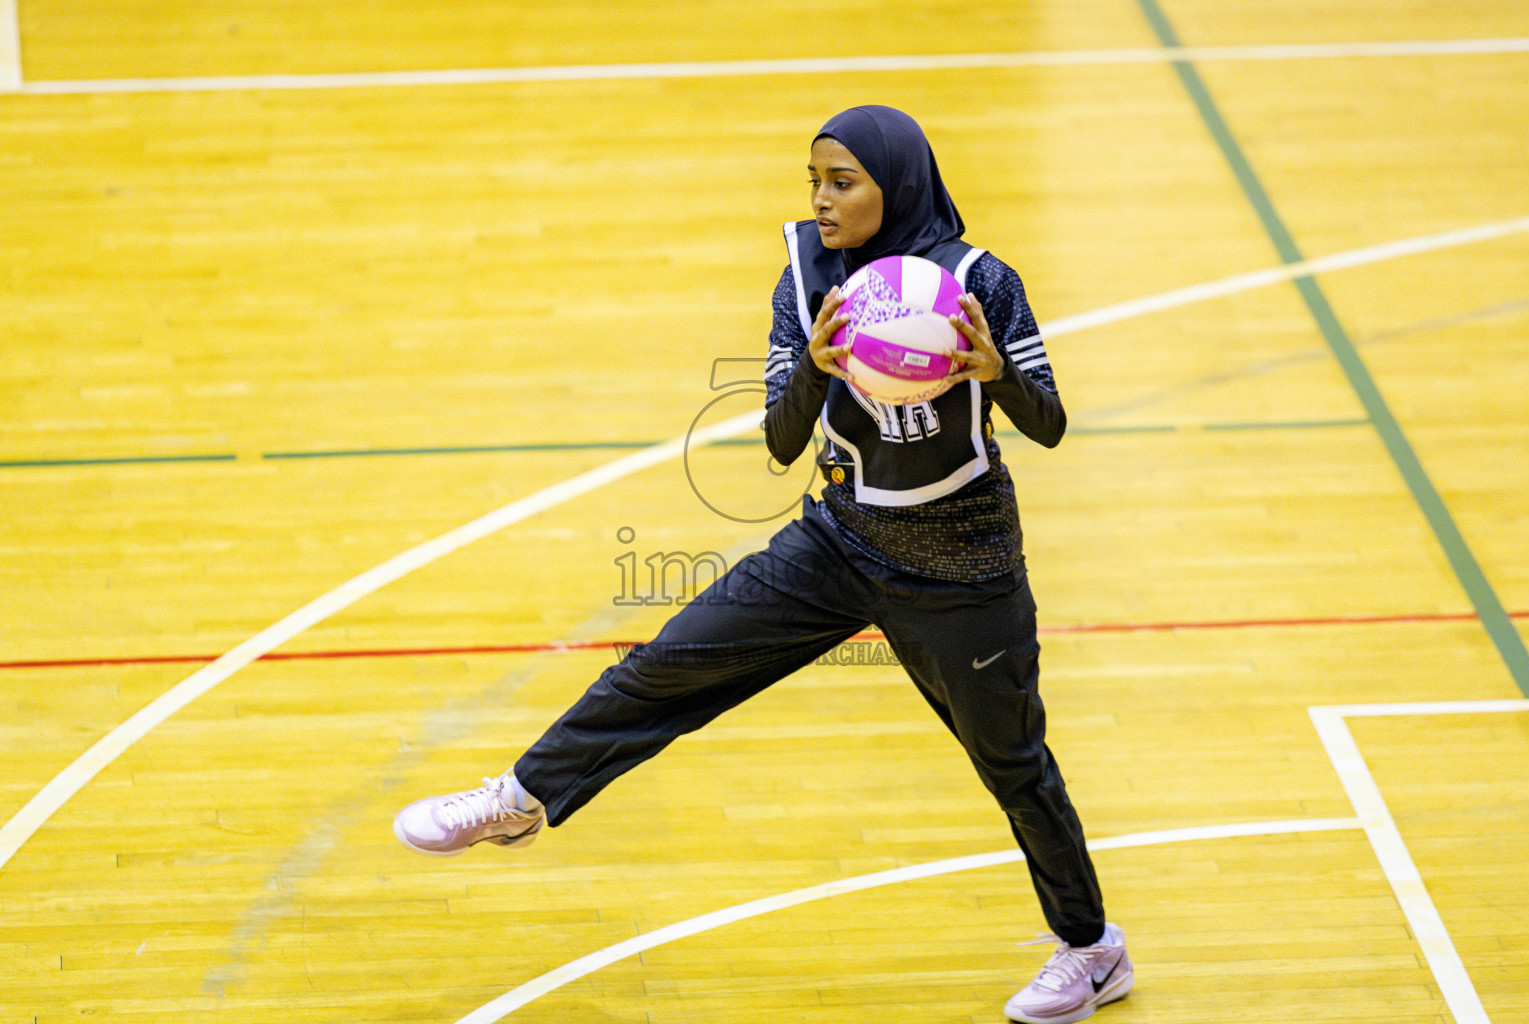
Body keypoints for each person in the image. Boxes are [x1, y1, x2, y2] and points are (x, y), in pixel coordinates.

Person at [393, 105, 1133, 1024]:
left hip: (963, 569)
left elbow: (1050, 424)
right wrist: (818, 368)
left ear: (896, 185)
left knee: (1013, 766)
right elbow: (782, 442)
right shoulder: (805, 277)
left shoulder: (980, 282)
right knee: (670, 661)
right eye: (813, 182)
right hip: (840, 541)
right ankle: (520, 798)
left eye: (842, 182)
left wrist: (996, 374)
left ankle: (1092, 948)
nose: (821, 201)